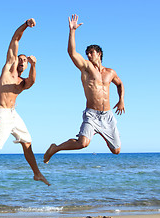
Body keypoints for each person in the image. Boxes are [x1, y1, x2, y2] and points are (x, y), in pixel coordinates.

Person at [0, 18, 50, 203]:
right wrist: (25, 24)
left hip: (13, 115)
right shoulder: (9, 69)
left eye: (25, 61)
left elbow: (32, 82)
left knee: (27, 142)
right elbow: (15, 39)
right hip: (1, 114)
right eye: (22, 60)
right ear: (15, 60)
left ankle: (37, 173)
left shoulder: (21, 82)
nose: (22, 62)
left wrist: (34, 65)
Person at [44, 14, 125, 163]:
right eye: (87, 53)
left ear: (99, 54)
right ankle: (55, 148)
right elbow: (72, 52)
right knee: (83, 143)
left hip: (107, 115)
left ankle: (99, 131)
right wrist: (72, 31)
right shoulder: (86, 68)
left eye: (91, 53)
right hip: (92, 114)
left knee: (116, 151)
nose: (88, 55)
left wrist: (121, 100)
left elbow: (119, 84)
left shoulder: (110, 72)